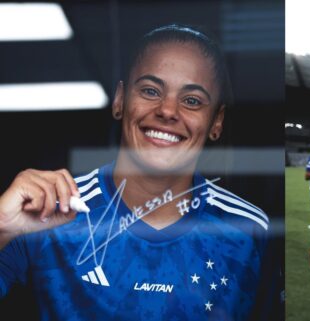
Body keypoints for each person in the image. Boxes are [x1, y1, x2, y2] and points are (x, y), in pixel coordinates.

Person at [0, 25, 270, 321]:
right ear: (120, 100)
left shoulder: (248, 230)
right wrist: (1, 226)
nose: (168, 110)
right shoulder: (50, 211)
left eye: (192, 100)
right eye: (150, 90)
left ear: (216, 121)